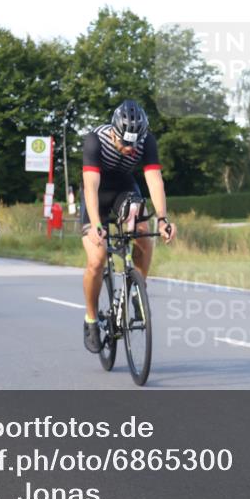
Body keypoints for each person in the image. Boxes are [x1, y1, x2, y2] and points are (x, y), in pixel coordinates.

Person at [80, 100, 175, 353]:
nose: (129, 149)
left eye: (134, 145)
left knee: (144, 233)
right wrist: (96, 223)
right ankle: (91, 319)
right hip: (96, 194)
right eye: (124, 143)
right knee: (97, 260)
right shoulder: (95, 141)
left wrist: (163, 219)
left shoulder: (146, 142)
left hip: (124, 189)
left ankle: (137, 290)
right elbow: (90, 186)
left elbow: (154, 180)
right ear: (114, 132)